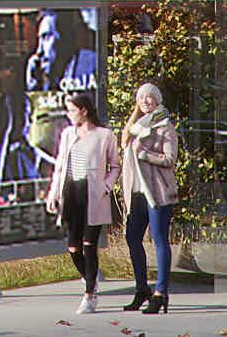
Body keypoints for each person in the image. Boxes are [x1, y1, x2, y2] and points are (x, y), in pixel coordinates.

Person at [44, 89, 117, 314]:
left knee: (89, 245)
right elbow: (59, 166)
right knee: (73, 247)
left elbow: (115, 166)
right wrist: (53, 193)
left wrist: (106, 186)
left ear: (84, 111)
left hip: (93, 192)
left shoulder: (105, 135)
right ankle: (89, 279)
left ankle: (89, 295)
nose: (69, 115)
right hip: (72, 192)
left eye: (73, 110)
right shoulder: (68, 134)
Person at [115, 81, 181, 316]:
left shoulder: (165, 126)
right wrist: (135, 115)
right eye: (141, 97)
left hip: (157, 193)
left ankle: (161, 293)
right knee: (132, 238)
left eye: (150, 97)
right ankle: (141, 289)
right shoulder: (136, 127)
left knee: (159, 240)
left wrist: (145, 155)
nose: (145, 101)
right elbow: (124, 141)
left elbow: (170, 159)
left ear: (158, 100)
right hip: (137, 193)